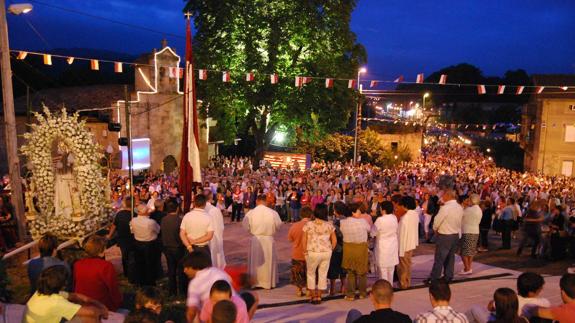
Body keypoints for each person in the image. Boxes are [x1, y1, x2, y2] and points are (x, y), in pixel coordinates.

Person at [23, 265, 108, 323]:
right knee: (89, 318)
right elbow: (91, 312)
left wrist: (95, 302)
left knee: (82, 309)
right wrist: (102, 310)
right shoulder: (56, 302)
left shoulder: (41, 292)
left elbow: (74, 296)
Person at [465, 272, 550, 323]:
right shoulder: (544, 302)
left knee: (474, 309)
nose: (541, 289)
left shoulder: (510, 298)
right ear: (532, 292)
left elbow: (490, 307)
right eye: (540, 288)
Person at [242, 194, 283, 289]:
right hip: (268, 240)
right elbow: (279, 225)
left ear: (257, 201)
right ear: (266, 201)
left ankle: (255, 282)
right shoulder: (273, 213)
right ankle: (267, 283)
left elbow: (245, 225)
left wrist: (252, 231)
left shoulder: (251, 213)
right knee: (268, 261)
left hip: (256, 239)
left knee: (256, 262)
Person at [428, 176, 463, 283]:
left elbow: (437, 221)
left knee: (439, 258)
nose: (442, 196)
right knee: (450, 258)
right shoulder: (459, 207)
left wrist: (435, 229)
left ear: (447, 196)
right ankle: (448, 276)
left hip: (445, 235)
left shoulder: (446, 208)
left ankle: (434, 278)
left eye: (443, 195)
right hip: (455, 235)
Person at [73, 235, 122, 311]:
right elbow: (113, 288)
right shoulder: (106, 266)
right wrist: (118, 302)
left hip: (81, 302)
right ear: (100, 251)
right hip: (99, 304)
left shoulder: (78, 264)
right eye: (104, 248)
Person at [183, 251, 233, 323]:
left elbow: (192, 311)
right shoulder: (218, 271)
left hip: (215, 316)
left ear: (195, 267)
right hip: (231, 313)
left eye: (187, 268)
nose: (184, 271)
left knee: (196, 311)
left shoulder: (195, 283)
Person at [302, 204, 336, 304]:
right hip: (326, 252)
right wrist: (330, 249)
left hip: (312, 251)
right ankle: (319, 295)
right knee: (323, 273)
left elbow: (304, 239)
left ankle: (313, 295)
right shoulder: (329, 225)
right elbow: (334, 240)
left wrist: (305, 251)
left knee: (311, 273)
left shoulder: (308, 224)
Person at [340, 202, 371, 300]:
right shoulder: (362, 221)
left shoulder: (343, 222)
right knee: (362, 272)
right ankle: (362, 293)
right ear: (353, 212)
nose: (360, 213)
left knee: (351, 272)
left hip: (348, 248)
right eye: (358, 211)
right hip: (361, 248)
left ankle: (351, 294)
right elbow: (369, 229)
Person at [345, 279, 411, 323]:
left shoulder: (362, 321)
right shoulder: (405, 319)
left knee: (353, 313)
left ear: (371, 297)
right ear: (392, 297)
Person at [161, 197, 187, 296]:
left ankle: (172, 291)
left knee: (171, 270)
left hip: (167, 247)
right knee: (181, 270)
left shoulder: (163, 219)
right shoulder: (180, 220)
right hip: (178, 248)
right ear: (177, 208)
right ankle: (182, 291)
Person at [130, 203, 161, 286]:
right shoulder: (150, 222)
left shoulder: (133, 220)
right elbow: (158, 230)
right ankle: (150, 282)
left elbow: (132, 231)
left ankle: (141, 281)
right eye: (148, 210)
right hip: (149, 245)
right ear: (144, 212)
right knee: (150, 264)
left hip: (137, 243)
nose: (149, 211)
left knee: (139, 263)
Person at [107, 196, 135, 282]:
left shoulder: (119, 214)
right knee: (132, 256)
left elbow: (114, 226)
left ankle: (127, 274)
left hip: (122, 239)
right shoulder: (134, 214)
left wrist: (109, 235)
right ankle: (132, 275)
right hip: (132, 239)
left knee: (125, 256)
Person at [371, 200, 398, 284]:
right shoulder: (394, 217)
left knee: (383, 271)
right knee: (391, 269)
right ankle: (390, 287)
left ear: (383, 209)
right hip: (393, 245)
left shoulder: (380, 220)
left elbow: (373, 233)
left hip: (383, 246)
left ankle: (384, 289)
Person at [287, 206, 312, 297]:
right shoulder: (313, 225)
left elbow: (290, 239)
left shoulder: (295, 226)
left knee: (298, 272)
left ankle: (299, 290)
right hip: (310, 253)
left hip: (297, 252)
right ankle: (309, 289)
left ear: (301, 215)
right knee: (310, 272)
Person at [396, 196, 420, 289]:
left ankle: (403, 284)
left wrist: (400, 250)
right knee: (408, 264)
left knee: (403, 266)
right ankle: (407, 282)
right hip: (411, 243)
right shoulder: (414, 214)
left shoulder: (406, 218)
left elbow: (402, 234)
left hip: (404, 245)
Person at [328, 201, 347, 296]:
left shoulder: (336, 222)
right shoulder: (347, 220)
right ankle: (343, 286)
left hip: (337, 247)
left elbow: (334, 236)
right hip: (346, 246)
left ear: (336, 211)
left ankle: (332, 289)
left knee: (334, 268)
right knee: (343, 267)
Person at [460, 194, 482, 275]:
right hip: (475, 231)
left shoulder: (469, 209)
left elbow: (461, 216)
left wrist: (464, 206)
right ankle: (469, 267)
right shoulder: (479, 209)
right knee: (471, 251)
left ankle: (467, 268)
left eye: (469, 200)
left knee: (464, 252)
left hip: (467, 231)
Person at [205, 190, 227, 269]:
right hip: (215, 236)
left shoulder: (199, 210)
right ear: (211, 197)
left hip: (202, 239)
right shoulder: (215, 210)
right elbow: (221, 226)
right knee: (215, 258)